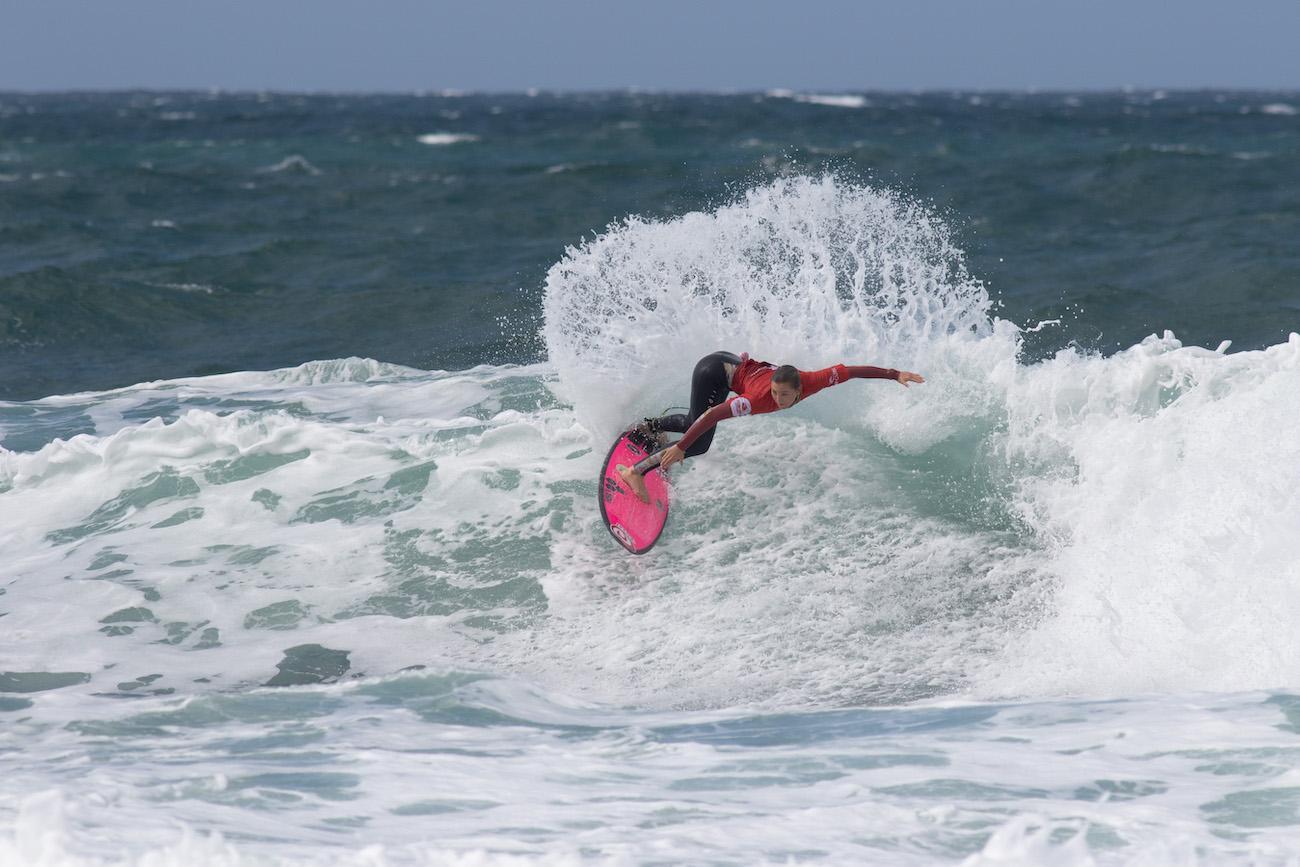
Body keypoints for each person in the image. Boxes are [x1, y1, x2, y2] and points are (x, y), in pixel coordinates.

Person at [617, 351, 925, 503]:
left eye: (784, 395)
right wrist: (680, 448)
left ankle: (648, 427)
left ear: (799, 389)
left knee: (691, 423)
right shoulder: (754, 400)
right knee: (697, 441)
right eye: (775, 394)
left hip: (732, 367)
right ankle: (635, 472)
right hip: (713, 371)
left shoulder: (814, 380)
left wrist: (895, 374)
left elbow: (853, 371)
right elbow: (711, 417)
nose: (778, 400)